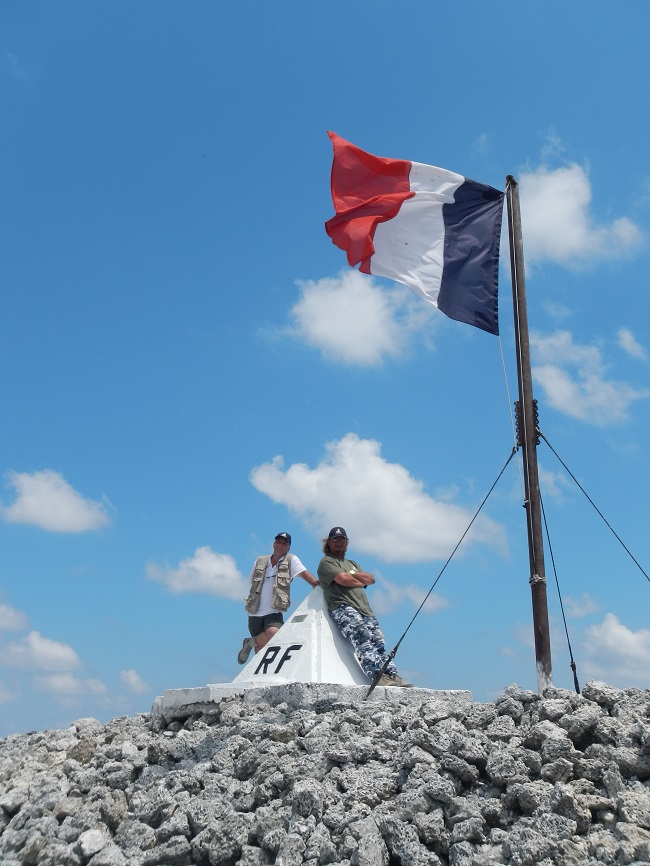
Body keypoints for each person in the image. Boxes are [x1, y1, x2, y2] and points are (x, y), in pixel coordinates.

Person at [317, 526, 412, 687]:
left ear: (347, 543)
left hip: (365, 610)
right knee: (362, 638)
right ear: (329, 543)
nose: (339, 543)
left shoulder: (352, 563)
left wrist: (352, 574)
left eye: (342, 540)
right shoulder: (326, 562)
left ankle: (391, 675)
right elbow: (342, 579)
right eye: (335, 540)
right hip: (343, 606)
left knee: (378, 642)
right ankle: (377, 675)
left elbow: (371, 579)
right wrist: (356, 579)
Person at [238, 532, 318, 664]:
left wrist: (316, 584)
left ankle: (249, 642)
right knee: (260, 649)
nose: (280, 545)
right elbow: (252, 583)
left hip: (274, 610)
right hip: (254, 611)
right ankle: (260, 677)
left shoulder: (291, 560)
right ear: (274, 544)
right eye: (278, 542)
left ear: (288, 547)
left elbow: (303, 573)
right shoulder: (260, 561)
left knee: (274, 633)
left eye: (284, 543)